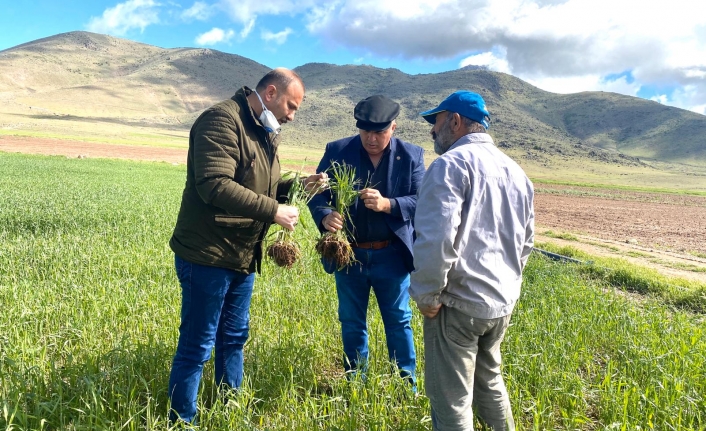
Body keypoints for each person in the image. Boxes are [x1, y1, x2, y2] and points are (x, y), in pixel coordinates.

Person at [167, 68, 326, 424]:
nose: (291, 115)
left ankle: (229, 410)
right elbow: (215, 184)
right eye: (290, 105)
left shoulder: (265, 131)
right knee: (197, 346)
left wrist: (301, 185)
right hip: (208, 254)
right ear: (270, 93)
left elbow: (262, 187)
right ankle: (182, 420)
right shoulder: (221, 121)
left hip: (241, 255)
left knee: (235, 337)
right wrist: (274, 212)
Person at [410, 91, 534, 431]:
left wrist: (427, 294)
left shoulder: (449, 166)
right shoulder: (517, 172)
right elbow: (526, 243)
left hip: (458, 305)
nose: (432, 131)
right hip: (499, 304)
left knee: (451, 401)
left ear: (455, 121)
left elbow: (436, 240)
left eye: (436, 121)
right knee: (490, 383)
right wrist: (507, 288)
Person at [308, 95, 425, 385]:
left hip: (392, 256)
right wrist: (324, 216)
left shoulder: (411, 156)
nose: (371, 139)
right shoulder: (338, 150)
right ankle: (355, 382)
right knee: (351, 321)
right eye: (365, 132)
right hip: (350, 254)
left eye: (379, 133)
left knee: (398, 321)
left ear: (394, 127)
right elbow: (316, 190)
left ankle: (405, 383)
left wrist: (389, 204)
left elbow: (423, 200)